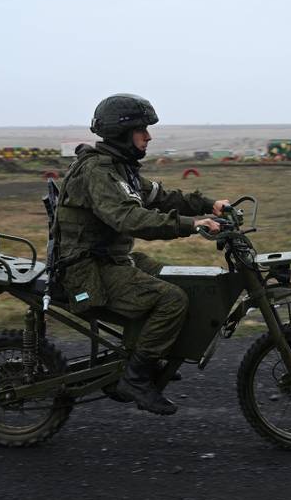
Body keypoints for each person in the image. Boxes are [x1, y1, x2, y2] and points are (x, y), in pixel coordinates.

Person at [53, 93, 228, 416]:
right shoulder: (99, 172)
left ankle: (151, 354)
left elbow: (160, 197)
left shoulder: (120, 170)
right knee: (170, 299)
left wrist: (209, 205)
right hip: (86, 271)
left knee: (173, 278)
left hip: (109, 259)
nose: (148, 137)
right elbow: (130, 218)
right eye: (141, 130)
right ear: (122, 133)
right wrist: (193, 225)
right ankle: (135, 378)